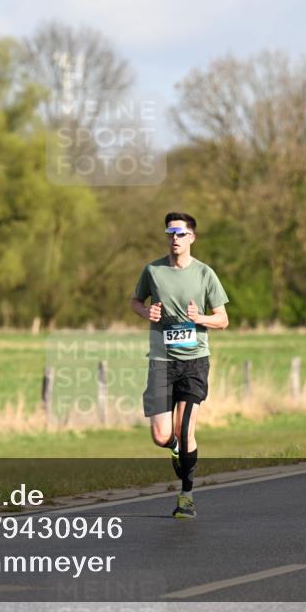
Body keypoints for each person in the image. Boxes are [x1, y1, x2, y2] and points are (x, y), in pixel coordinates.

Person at [129, 212, 229, 519]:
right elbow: (135, 301)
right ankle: (175, 448)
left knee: (186, 429)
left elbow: (223, 319)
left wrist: (201, 319)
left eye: (181, 234)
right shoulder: (153, 271)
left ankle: (186, 495)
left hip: (194, 361)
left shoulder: (204, 274)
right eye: (170, 233)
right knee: (162, 435)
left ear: (192, 238)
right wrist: (147, 313)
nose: (175, 238)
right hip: (161, 361)